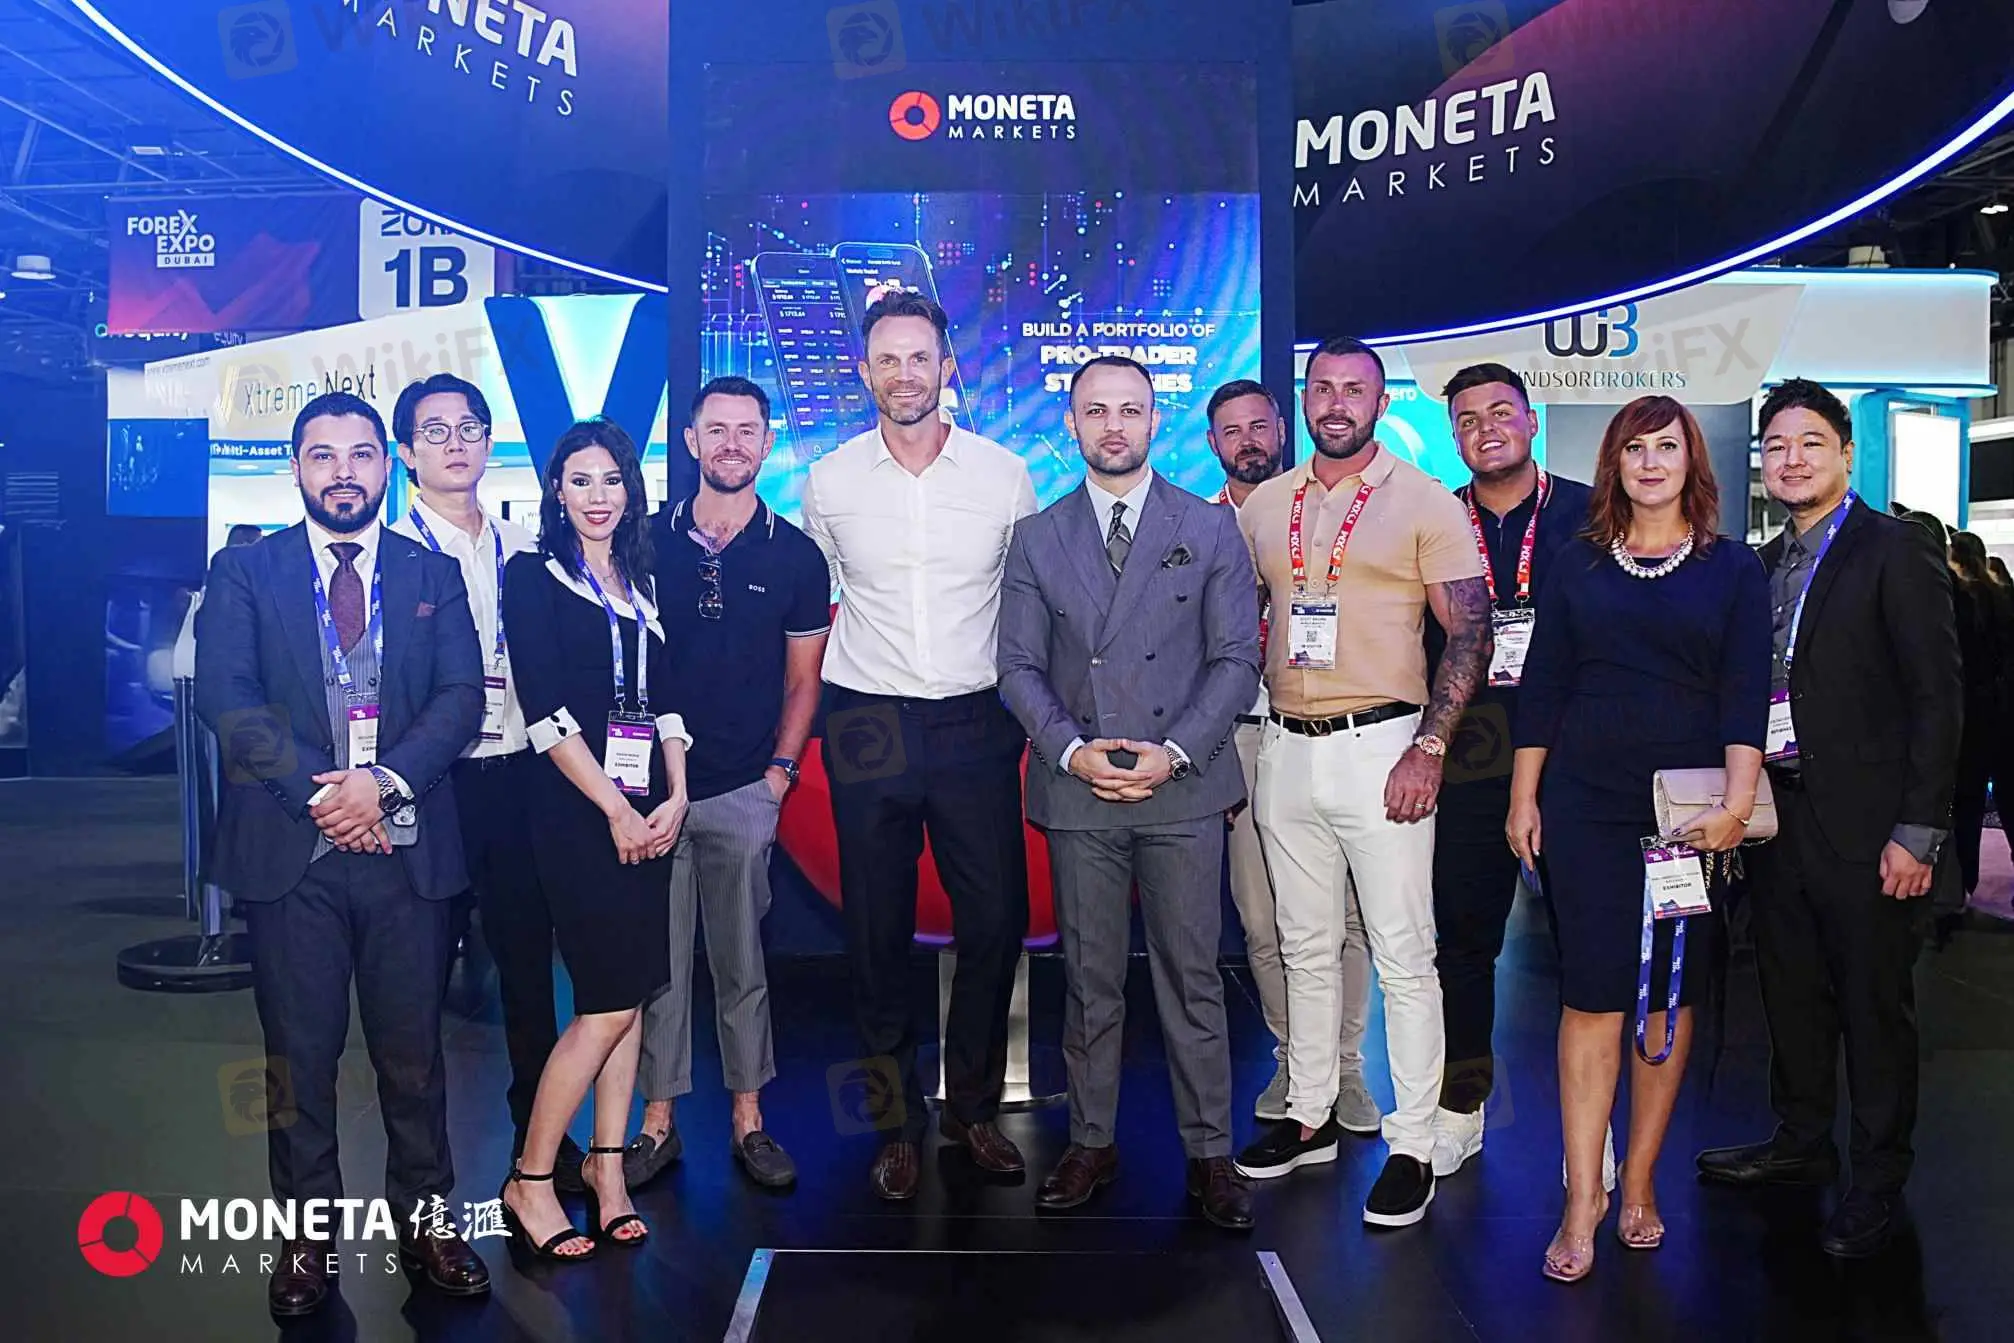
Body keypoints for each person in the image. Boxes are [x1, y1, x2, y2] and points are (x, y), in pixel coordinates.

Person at [193, 392, 490, 1316]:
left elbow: (462, 698)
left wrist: (383, 784)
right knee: (297, 1059)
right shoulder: (246, 570)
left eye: (361, 454)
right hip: (293, 859)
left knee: (416, 1058)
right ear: (296, 467)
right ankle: (306, 1240)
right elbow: (226, 696)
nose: (343, 473)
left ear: (385, 465)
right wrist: (329, 795)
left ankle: (428, 1225)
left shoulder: (430, 570)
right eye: (323, 456)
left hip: (408, 855)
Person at [1695, 379, 1961, 1259]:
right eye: (1775, 446)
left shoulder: (1895, 548)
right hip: (1778, 818)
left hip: (1872, 826)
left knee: (1873, 1007)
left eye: (1810, 442)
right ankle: (1801, 1140)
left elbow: (1937, 697)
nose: (1792, 459)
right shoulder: (1757, 564)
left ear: (1846, 453)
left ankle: (1877, 1177)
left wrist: (1918, 831)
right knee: (1792, 992)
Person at [1232, 336, 1493, 1230]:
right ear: (1303, 399)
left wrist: (1431, 746)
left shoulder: (1424, 500)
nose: (1336, 402)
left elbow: (1470, 631)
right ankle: (1308, 1113)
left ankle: (1412, 1142)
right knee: (1304, 945)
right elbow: (1242, 621)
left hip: (1386, 745)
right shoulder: (1267, 504)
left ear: (1381, 404)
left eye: (1355, 389)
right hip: (1284, 745)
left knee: (1403, 954)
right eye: (1323, 387)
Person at [1508, 395, 1769, 1283]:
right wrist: (1524, 796)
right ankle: (1583, 1194)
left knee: (1667, 993)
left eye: (1666, 446)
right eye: (1634, 449)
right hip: (1584, 803)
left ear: (1692, 461)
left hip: (1688, 812)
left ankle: (1643, 1181)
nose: (1650, 462)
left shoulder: (1734, 568)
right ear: (1613, 463)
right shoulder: (1576, 564)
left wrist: (1738, 803)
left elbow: (1745, 693)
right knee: (1592, 993)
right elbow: (1543, 684)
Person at [999, 356, 1261, 1230]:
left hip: (1183, 786)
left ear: (1155, 420)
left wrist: (1174, 751)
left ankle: (1210, 1152)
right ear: (1071, 423)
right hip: (1080, 789)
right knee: (1090, 979)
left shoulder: (1210, 526)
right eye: (1096, 410)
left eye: (1130, 410)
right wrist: (1072, 752)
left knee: (1193, 977)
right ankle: (1091, 1140)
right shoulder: (1037, 536)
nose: (1113, 425)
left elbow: (1237, 659)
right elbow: (1017, 666)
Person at [801, 293, 1039, 1200]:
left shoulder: (1004, 475)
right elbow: (822, 605)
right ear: (865, 373)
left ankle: (973, 1108)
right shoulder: (829, 480)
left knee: (995, 920)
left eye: (920, 357)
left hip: (975, 717)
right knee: (874, 930)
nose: (905, 374)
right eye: (888, 360)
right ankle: (892, 1125)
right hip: (866, 719)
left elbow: (1028, 602)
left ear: (947, 367)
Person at [629, 377, 830, 1191]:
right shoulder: (643, 540)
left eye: (748, 430)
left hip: (744, 789)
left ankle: (749, 1118)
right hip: (649, 796)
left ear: (767, 442)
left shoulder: (796, 554)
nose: (732, 444)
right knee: (658, 966)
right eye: (717, 429)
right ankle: (657, 1122)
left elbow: (805, 680)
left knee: (743, 963)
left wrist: (779, 775)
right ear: (690, 440)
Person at [497, 418, 692, 1262]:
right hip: (578, 810)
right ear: (556, 490)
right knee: (606, 999)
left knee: (633, 991)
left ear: (630, 488)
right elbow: (545, 712)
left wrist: (676, 791)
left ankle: (608, 1174)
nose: (598, 495)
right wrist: (614, 807)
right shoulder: (531, 574)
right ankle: (532, 1178)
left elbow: (667, 699)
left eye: (611, 479)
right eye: (580, 480)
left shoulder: (644, 576)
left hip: (650, 805)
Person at [384, 373, 579, 1189]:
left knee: (529, 975)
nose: (455, 443)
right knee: (416, 984)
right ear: (406, 452)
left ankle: (541, 1144)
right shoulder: (389, 553)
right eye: (435, 431)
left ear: (490, 440)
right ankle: (422, 1177)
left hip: (519, 776)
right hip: (429, 785)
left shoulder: (524, 546)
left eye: (469, 427)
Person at [1426, 364, 1594, 1178]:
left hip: (1576, 752)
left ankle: (1589, 1133)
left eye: (1501, 412)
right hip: (1471, 750)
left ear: (1532, 421)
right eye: (1467, 419)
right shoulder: (1434, 517)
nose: (1485, 428)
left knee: (1586, 944)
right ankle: (1464, 1103)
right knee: (1463, 940)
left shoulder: (1592, 513)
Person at [1205, 379, 1379, 1133]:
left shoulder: (1329, 509)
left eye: (1258, 425)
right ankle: (1294, 1058)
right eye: (1231, 431)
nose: (1248, 440)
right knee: (1263, 916)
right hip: (1242, 736)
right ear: (1213, 444)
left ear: (1282, 428)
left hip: (1338, 729)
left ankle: (1346, 1065)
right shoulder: (1196, 526)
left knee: (1349, 916)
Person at [1946, 530, 2006, 897]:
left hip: (1968, 714)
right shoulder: (1999, 596)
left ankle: (1960, 887)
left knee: (1963, 805)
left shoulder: (1960, 600)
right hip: (1997, 714)